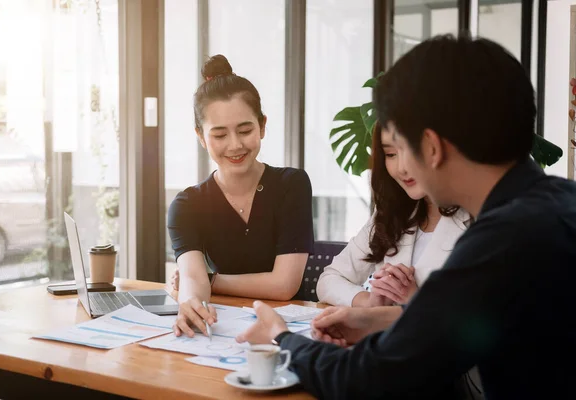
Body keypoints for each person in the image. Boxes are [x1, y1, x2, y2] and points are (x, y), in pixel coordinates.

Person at [235, 35, 576, 399]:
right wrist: (376, 319)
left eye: (401, 146)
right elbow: (466, 324)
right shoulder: (557, 204)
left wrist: (281, 338)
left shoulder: (500, 242)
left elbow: (366, 379)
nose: (398, 166)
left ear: (430, 147)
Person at [168, 55, 314, 338]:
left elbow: (285, 285)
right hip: (226, 327)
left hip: (294, 329)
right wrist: (191, 302)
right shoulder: (187, 205)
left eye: (245, 130)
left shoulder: (291, 185)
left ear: (262, 125)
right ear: (200, 136)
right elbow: (191, 278)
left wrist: (212, 281)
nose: (235, 145)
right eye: (219, 135)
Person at [317, 123, 470, 308]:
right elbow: (330, 279)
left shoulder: (479, 217)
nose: (401, 168)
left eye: (410, 151)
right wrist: (369, 302)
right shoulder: (391, 215)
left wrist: (415, 301)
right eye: (390, 154)